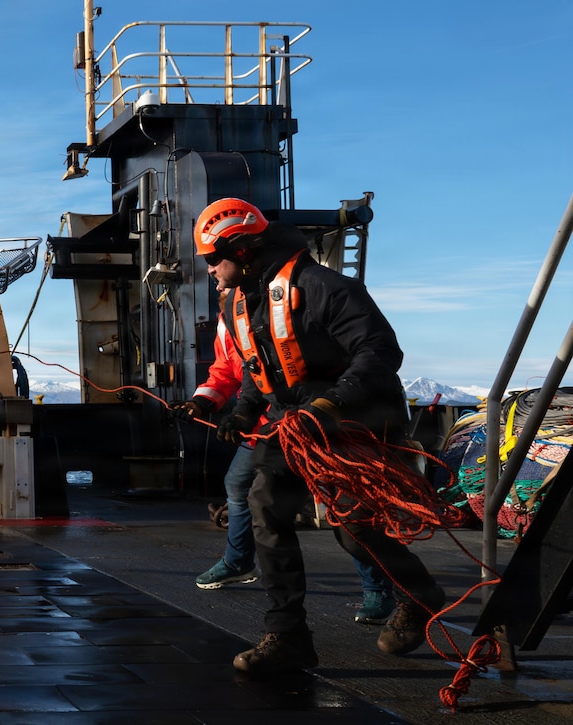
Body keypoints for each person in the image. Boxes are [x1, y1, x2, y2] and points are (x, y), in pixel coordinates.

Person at [193, 197, 444, 675]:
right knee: (265, 507)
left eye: (212, 259)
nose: (209, 270)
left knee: (354, 529)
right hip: (293, 423)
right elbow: (256, 370)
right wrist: (242, 412)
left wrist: (328, 406)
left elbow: (380, 350)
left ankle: (420, 595)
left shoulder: (323, 287)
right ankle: (287, 636)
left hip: (355, 421)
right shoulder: (240, 305)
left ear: (242, 251)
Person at [175, 299, 397, 626]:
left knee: (343, 506)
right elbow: (229, 368)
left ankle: (378, 588)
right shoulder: (230, 318)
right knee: (240, 485)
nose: (212, 272)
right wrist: (201, 402)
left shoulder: (292, 305)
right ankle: (239, 563)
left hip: (316, 425)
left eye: (215, 262)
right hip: (268, 427)